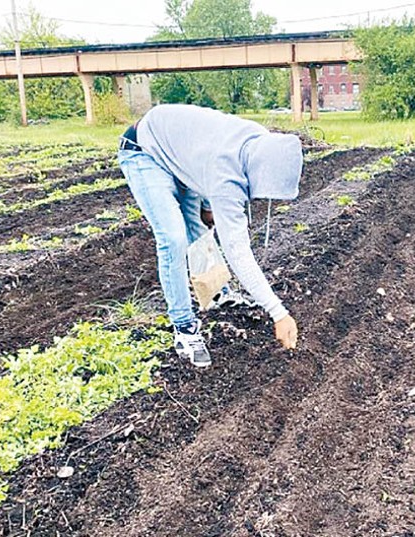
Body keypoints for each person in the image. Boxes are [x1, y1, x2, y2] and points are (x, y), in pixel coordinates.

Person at [118, 104, 302, 368]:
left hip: (182, 150)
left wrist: (207, 206)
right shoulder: (225, 175)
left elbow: (201, 152)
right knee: (173, 237)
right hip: (144, 151)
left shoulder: (258, 141)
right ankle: (184, 329)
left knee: (198, 228)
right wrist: (278, 312)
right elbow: (237, 251)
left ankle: (216, 294)